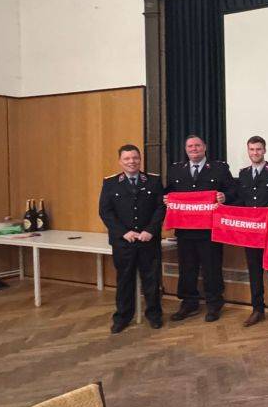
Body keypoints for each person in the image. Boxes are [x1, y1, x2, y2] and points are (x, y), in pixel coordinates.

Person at [165, 135, 236, 323]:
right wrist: (166, 198)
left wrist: (225, 197)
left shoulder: (219, 169)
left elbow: (233, 191)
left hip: (210, 230)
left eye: (197, 145)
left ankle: (214, 303)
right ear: (185, 149)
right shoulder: (175, 170)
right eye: (190, 146)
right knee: (187, 268)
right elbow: (168, 192)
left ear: (204, 147)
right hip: (185, 231)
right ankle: (189, 303)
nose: (194, 149)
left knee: (212, 269)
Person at [99, 144, 165, 333]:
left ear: (140, 159)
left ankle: (154, 315)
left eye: (135, 158)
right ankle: (122, 317)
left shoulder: (153, 181)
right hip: (124, 242)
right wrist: (123, 232)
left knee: (151, 280)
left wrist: (150, 230)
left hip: (148, 240)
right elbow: (105, 211)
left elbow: (161, 208)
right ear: (120, 161)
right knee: (124, 280)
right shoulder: (110, 183)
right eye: (127, 158)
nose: (132, 162)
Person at [234, 136, 268, 329]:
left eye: (258, 149)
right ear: (248, 151)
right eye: (252, 149)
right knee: (254, 273)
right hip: (251, 234)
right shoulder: (243, 174)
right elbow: (240, 201)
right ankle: (257, 309)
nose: (255, 153)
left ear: (264, 150)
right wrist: (222, 205)